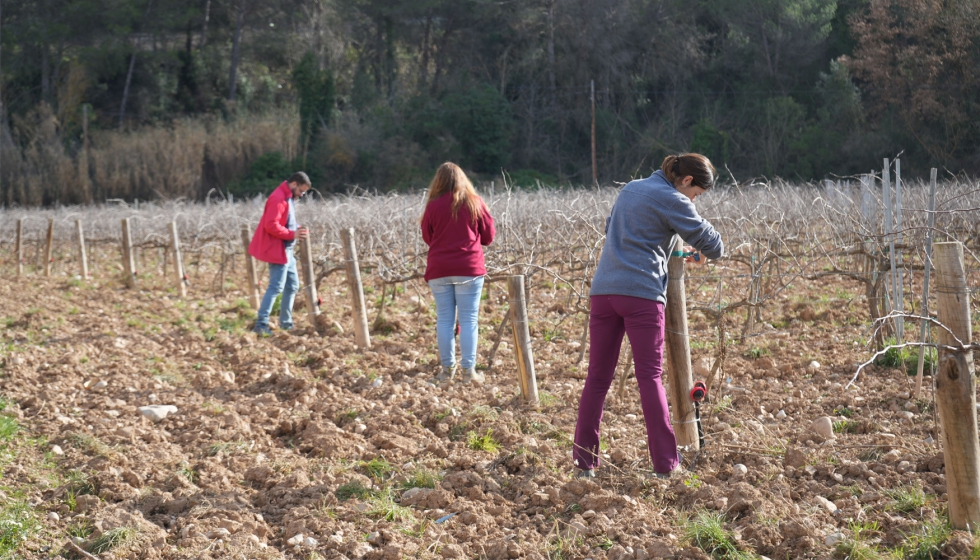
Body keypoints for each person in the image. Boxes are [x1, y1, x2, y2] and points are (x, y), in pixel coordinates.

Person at [573, 153, 724, 479]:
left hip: (603, 293)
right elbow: (714, 246)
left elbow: (620, 231)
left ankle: (584, 464)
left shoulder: (630, 188)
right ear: (686, 181)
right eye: (696, 194)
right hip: (640, 296)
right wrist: (692, 214)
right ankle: (666, 466)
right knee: (649, 378)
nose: (694, 199)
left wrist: (674, 247)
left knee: (597, 380)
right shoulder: (674, 199)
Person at [421, 162, 496, 384]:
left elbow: (428, 237)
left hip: (439, 269)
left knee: (444, 319)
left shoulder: (432, 206)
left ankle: (446, 371)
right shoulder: (474, 203)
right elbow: (489, 236)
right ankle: (468, 372)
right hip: (469, 269)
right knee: (469, 319)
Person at [249, 172, 311, 335]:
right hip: (279, 249)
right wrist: (292, 234)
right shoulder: (278, 198)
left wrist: (297, 228)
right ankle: (261, 324)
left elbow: (286, 220)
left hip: (287, 250)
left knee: (292, 286)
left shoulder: (288, 197)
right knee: (276, 287)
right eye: (301, 191)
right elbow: (271, 225)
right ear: (294, 184)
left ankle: (286, 323)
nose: (302, 195)